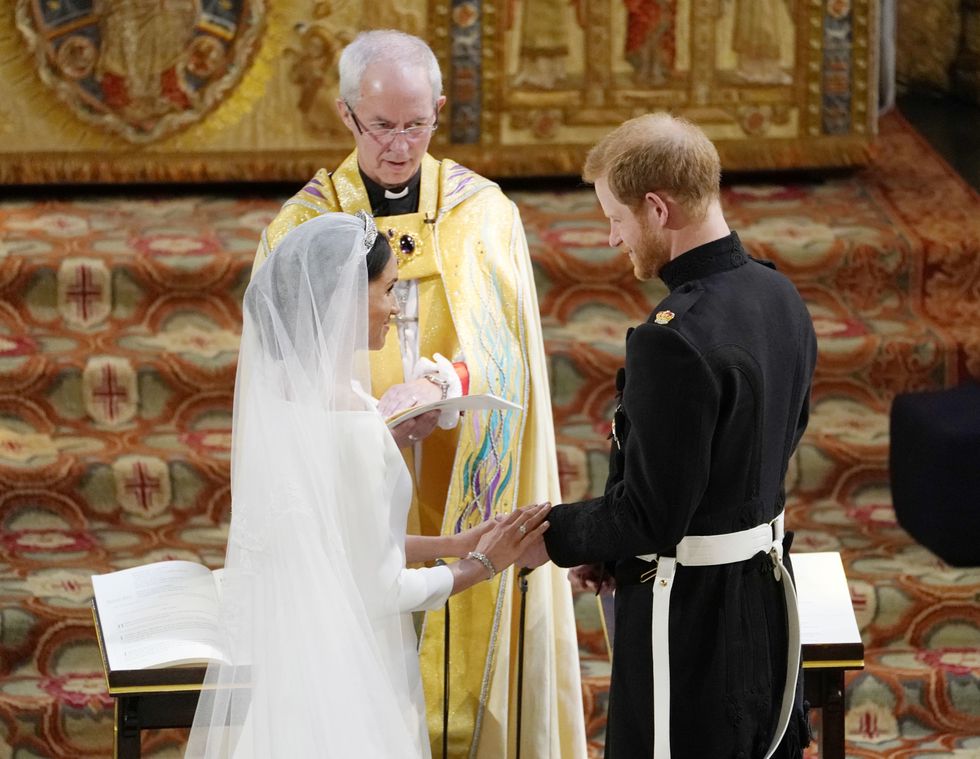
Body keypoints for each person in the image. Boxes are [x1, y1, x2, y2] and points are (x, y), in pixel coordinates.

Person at [251, 30, 586, 759]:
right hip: (350, 458)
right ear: (347, 117)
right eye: (381, 127)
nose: (400, 145)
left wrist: (441, 381)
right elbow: (279, 371)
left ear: (437, 110)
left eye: (416, 124)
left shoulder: (482, 212)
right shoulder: (304, 227)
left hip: (462, 461)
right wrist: (366, 429)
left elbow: (510, 348)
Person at [185, 212, 552, 758]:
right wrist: (483, 566)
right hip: (350, 670)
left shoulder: (287, 404)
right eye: (388, 290)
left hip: (294, 661)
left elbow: (338, 548)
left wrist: (453, 543)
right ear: (346, 298)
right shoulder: (356, 427)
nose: (396, 307)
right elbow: (378, 591)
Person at [520, 113, 817, 758]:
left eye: (616, 218)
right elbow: (781, 436)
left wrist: (551, 536)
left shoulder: (673, 338)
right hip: (764, 598)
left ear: (657, 208)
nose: (611, 237)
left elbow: (652, 516)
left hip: (690, 620)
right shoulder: (779, 294)